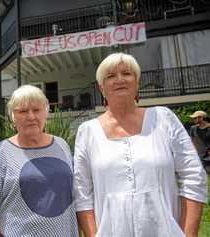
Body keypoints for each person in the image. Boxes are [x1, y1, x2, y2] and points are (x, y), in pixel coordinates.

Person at [73, 53, 208, 237]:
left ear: (137, 82)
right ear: (101, 88)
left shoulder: (163, 118)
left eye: (126, 73)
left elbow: (193, 175)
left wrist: (188, 234)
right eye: (110, 76)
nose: (119, 79)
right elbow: (82, 194)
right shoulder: (87, 131)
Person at [0, 85, 78, 237]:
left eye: (36, 110)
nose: (31, 116)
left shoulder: (62, 145)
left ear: (46, 113)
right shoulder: (3, 152)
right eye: (22, 111)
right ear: (12, 117)